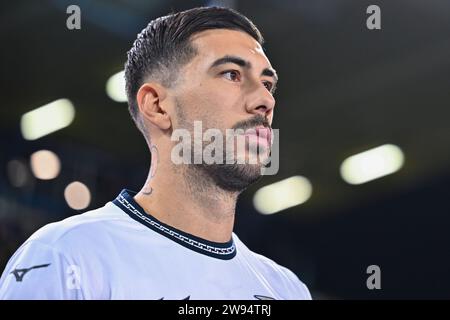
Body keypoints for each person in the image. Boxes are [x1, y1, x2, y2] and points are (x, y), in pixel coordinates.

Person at [0, 6, 311, 300]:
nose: (265, 101)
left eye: (268, 84)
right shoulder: (65, 258)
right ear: (158, 106)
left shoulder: (286, 289)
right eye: (231, 74)